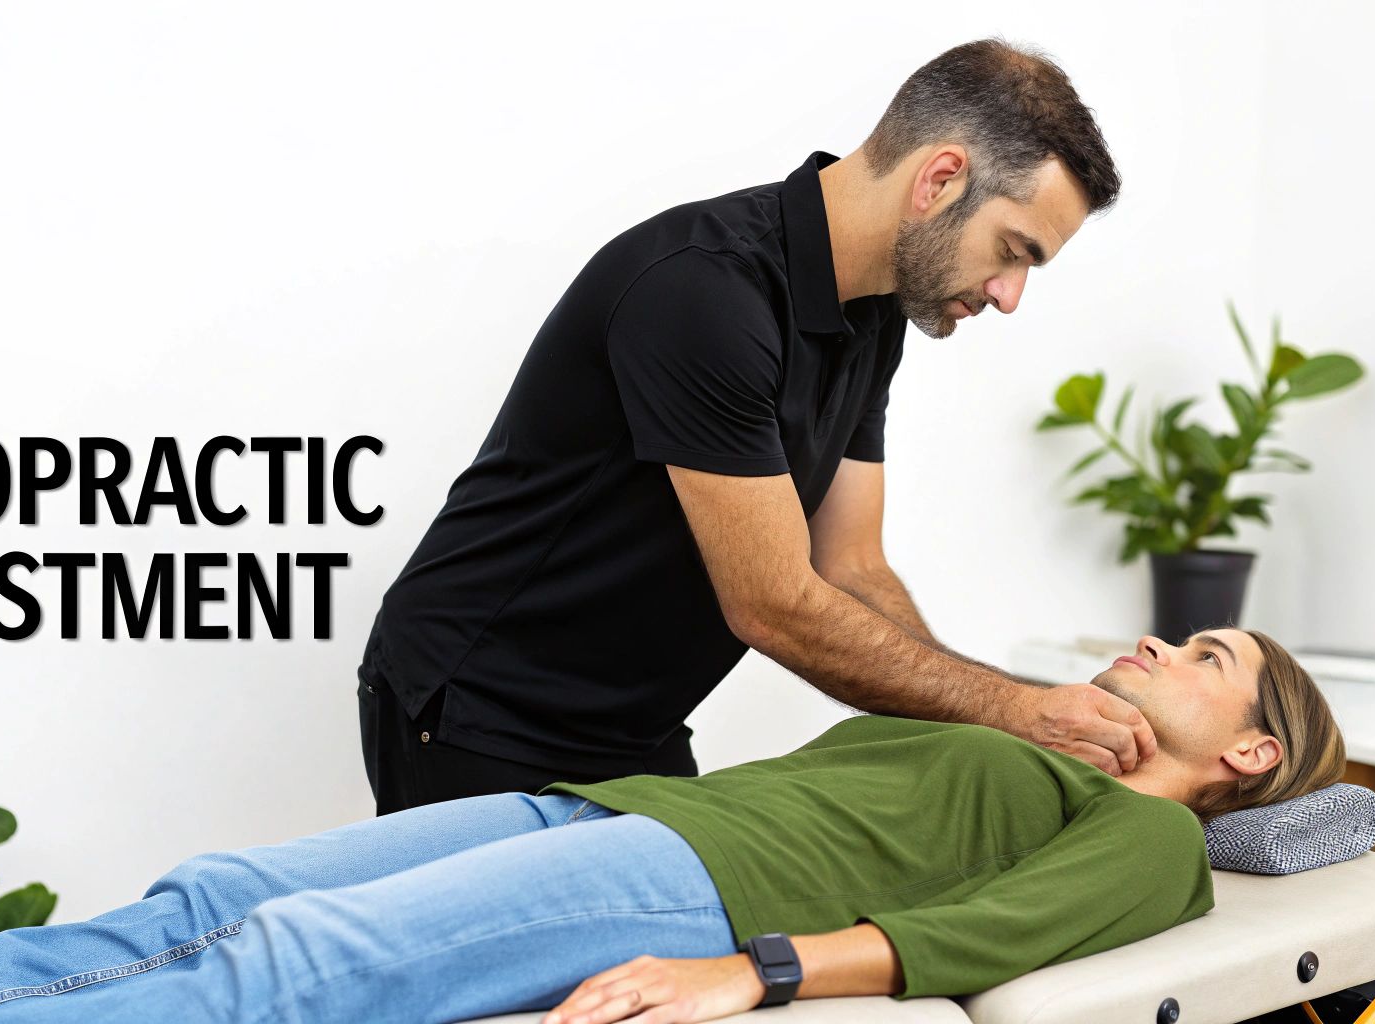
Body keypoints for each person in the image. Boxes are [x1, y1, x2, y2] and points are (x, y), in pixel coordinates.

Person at [0, 629, 1343, 1024]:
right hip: (620, 805)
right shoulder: (1031, 732)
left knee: (297, 963)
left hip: (699, 881)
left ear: (1253, 749)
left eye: (1207, 655)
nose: (1160, 644)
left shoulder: (1154, 842)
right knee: (222, 888)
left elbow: (981, 936)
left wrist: (751, 970)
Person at [357, 38, 1145, 814]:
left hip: (633, 725)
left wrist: (1011, 715)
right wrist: (1014, 710)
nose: (1009, 296)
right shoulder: (703, 292)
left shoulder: (876, 315)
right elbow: (775, 603)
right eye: (1013, 251)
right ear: (939, 180)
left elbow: (851, 566)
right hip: (479, 704)